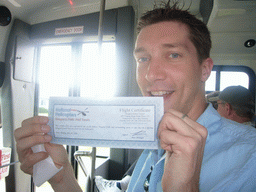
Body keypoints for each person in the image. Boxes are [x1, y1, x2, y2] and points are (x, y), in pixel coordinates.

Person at [14, 1, 256, 191]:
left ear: (205, 69)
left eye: (173, 55)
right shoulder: (153, 142)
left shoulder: (250, 157)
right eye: (143, 59)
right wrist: (61, 176)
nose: (151, 74)